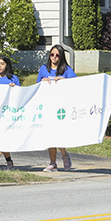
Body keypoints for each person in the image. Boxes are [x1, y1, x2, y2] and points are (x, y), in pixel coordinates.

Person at [38, 44, 77, 172]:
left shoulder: (66, 69)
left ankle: (64, 154)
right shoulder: (44, 69)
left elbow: (76, 84)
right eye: (52, 54)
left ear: (61, 57)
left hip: (61, 107)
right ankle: (53, 163)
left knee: (58, 134)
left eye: (57, 55)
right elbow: (37, 86)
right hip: (47, 105)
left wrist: (64, 80)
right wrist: (42, 82)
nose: (54, 57)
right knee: (50, 135)